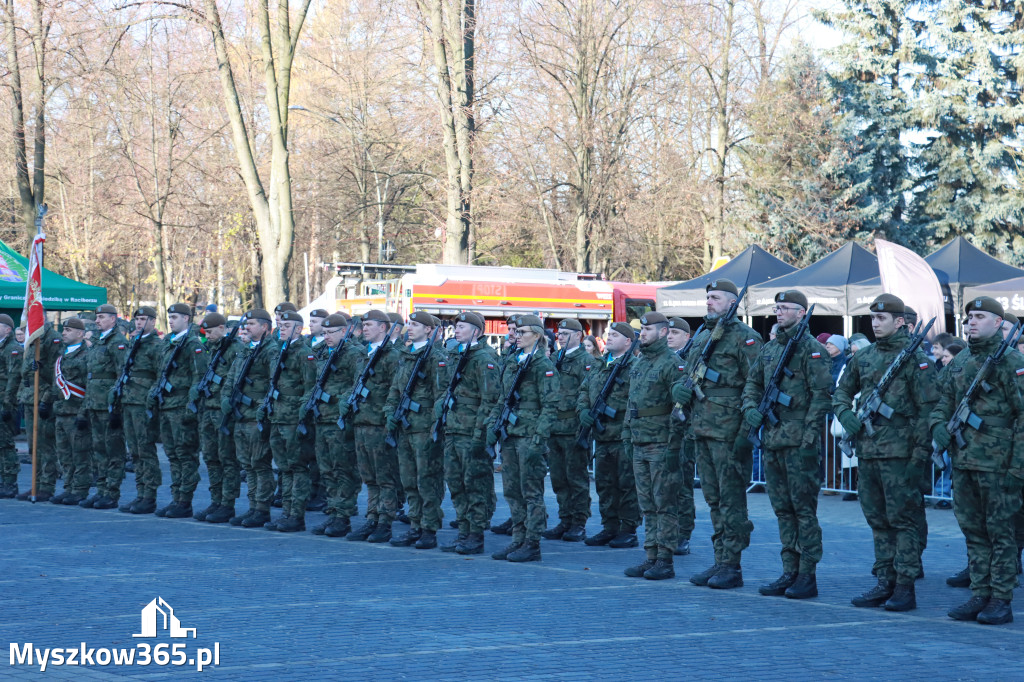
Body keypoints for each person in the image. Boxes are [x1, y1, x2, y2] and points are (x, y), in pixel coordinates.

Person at [835, 294, 938, 613]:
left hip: (901, 454)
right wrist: (843, 412)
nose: (875, 323)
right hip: (868, 450)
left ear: (899, 322)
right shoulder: (864, 358)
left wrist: (919, 456)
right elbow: (841, 390)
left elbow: (928, 410)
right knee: (877, 520)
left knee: (902, 521)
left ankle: (905, 586)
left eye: (882, 319)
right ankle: (885, 581)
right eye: (873, 319)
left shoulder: (916, 359)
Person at [932, 296, 1024, 625]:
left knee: (1001, 534)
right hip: (965, 459)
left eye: (980, 316)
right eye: (969, 316)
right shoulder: (961, 361)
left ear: (998, 322)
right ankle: (980, 593)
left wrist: (1017, 467)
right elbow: (943, 399)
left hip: (999, 462)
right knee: (973, 531)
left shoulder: (1012, 361)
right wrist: (938, 426)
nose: (971, 321)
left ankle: (1000, 599)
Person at [743, 290, 833, 600]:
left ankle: (807, 573)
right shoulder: (770, 350)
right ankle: (789, 570)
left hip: (799, 443)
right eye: (777, 308)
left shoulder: (812, 350)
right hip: (772, 439)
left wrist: (809, 437)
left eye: (786, 308)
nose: (779, 312)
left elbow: (822, 396)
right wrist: (750, 408)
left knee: (803, 511)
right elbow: (753, 384)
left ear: (801, 312)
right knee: (783, 510)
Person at [674, 279, 763, 589]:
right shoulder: (703, 337)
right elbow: (689, 373)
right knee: (713, 500)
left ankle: (732, 565)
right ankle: (720, 559)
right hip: (702, 428)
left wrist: (745, 432)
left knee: (731, 501)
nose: (709, 302)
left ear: (731, 303)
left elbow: (756, 386)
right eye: (707, 297)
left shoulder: (746, 339)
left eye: (715, 298)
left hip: (728, 432)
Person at [619, 312, 684, 580]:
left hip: (661, 442)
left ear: (663, 332)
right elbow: (631, 403)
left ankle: (665, 559)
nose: (641, 334)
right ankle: (651, 555)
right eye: (641, 330)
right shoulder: (639, 363)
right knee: (646, 504)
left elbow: (679, 409)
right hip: (639, 441)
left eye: (647, 330)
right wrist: (626, 432)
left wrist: (673, 446)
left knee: (664, 503)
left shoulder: (673, 363)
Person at [489, 314, 558, 563]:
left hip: (530, 436)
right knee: (512, 490)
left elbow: (550, 406)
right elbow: (502, 398)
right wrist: (492, 426)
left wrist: (539, 439)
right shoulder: (514, 362)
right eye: (515, 332)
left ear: (537, 336)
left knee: (531, 493)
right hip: (510, 435)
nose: (516, 336)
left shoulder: (543, 366)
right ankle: (517, 539)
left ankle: (532, 542)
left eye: (522, 332)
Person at [437, 312, 500, 551]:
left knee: (475, 484)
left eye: (462, 326)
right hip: (453, 429)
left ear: (477, 331)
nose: (457, 330)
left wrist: (479, 434)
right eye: (457, 326)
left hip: (472, 432)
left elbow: (489, 400)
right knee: (456, 483)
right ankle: (464, 531)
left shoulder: (485, 358)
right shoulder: (457, 354)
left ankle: (475, 534)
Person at [385, 311, 447, 548]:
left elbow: (440, 395)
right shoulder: (405, 354)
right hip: (405, 427)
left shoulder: (435, 357)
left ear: (429, 330)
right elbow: (395, 389)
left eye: (416, 325)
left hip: (423, 429)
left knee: (427, 480)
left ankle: (429, 529)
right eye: (409, 324)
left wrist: (434, 427)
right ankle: (415, 525)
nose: (410, 328)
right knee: (409, 480)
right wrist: (390, 412)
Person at [578, 322, 641, 549]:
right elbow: (584, 391)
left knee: (626, 485)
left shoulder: (634, 366)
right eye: (608, 334)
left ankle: (628, 529)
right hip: (601, 435)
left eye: (614, 335)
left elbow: (636, 399)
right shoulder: (599, 365)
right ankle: (610, 526)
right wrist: (584, 410)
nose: (609, 337)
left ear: (628, 341)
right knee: (605, 485)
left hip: (622, 436)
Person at [341, 309, 400, 543]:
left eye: (369, 325)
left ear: (383, 327)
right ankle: (372, 518)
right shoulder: (365, 354)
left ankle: (384, 522)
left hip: (379, 424)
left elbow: (395, 390)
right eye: (363, 325)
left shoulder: (392, 356)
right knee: (369, 477)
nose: (364, 328)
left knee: (385, 477)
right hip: (361, 423)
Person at [305, 313, 363, 538]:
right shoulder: (323, 353)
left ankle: (343, 516)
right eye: (325, 332)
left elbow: (356, 385)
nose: (326, 336)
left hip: (340, 421)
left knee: (343, 470)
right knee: (327, 470)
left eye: (331, 333)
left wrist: (334, 400)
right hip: (322, 420)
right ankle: (333, 510)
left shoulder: (353, 354)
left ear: (344, 331)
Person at [150, 303, 207, 519]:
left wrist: (190, 408)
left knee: (186, 455)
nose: (171, 320)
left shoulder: (193, 344)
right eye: (169, 317)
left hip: (182, 408)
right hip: (167, 406)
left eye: (175, 317)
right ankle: (176, 498)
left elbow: (198, 376)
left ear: (186, 318)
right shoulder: (168, 343)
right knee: (172, 455)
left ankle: (185, 500)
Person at [261, 310, 316, 532]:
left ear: (298, 328)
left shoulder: (304, 354)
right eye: (281, 325)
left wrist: (301, 413)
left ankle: (296, 515)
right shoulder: (278, 351)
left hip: (293, 419)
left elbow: (310, 386)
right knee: (283, 468)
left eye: (287, 325)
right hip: (277, 416)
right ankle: (286, 512)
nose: (281, 328)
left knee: (297, 467)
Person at [224, 309, 278, 528]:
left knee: (260, 464)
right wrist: (226, 397)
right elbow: (232, 377)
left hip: (256, 416)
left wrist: (262, 409)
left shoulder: (271, 350)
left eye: (252, 323)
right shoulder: (247, 349)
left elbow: (274, 383)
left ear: (265, 327)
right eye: (246, 323)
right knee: (248, 465)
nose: (246, 327)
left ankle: (262, 509)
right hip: (240, 416)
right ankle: (253, 506)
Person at [542, 319, 592, 543]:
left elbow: (588, 393)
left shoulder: (586, 361)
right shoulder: (554, 359)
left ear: (578, 335)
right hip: (554, 428)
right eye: (558, 333)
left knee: (576, 479)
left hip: (573, 428)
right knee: (559, 479)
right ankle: (565, 519)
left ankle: (578, 523)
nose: (559, 337)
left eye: (565, 333)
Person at [190, 313, 243, 523]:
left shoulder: (235, 349)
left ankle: (227, 503)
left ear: (222, 328)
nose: (208, 336)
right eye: (206, 332)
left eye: (211, 332)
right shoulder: (213, 348)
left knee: (227, 459)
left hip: (224, 412)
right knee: (211, 458)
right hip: (208, 410)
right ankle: (216, 500)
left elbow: (235, 379)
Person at [114, 308, 164, 514]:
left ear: (153, 322)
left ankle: (149, 495)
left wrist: (151, 399)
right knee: (134, 452)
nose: (139, 323)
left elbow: (161, 375)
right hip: (128, 402)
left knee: (146, 450)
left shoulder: (156, 346)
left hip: (144, 405)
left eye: (144, 319)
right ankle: (140, 493)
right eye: (137, 319)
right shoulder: (133, 343)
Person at [80, 305, 128, 510]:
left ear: (113, 320)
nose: (97, 321)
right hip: (94, 403)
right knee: (99, 450)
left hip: (108, 405)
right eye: (97, 317)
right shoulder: (99, 341)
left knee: (113, 451)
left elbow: (122, 376)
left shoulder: (118, 343)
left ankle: (111, 493)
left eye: (101, 317)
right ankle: (101, 490)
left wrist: (116, 408)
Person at [51, 318, 92, 506]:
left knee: (80, 454)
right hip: (61, 411)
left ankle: (80, 490)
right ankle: (68, 487)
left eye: (68, 330)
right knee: (64, 454)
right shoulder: (61, 355)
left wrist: (84, 413)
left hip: (77, 412)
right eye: (63, 330)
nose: (64, 333)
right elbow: (56, 384)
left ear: (80, 334)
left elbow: (89, 387)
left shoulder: (86, 355)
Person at [666, 316, 695, 556]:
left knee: (682, 486)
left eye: (675, 332)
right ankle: (667, 533)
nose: (669, 336)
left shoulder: (692, 358)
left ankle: (683, 534)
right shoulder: (663, 359)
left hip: (685, 430)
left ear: (687, 336)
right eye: (668, 332)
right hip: (663, 430)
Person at [0, 315, 20, 498]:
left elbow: (14, 378)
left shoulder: (12, 348)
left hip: (5, 402)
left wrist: (8, 404)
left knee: (6, 444)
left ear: (7, 329)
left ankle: (10, 482)